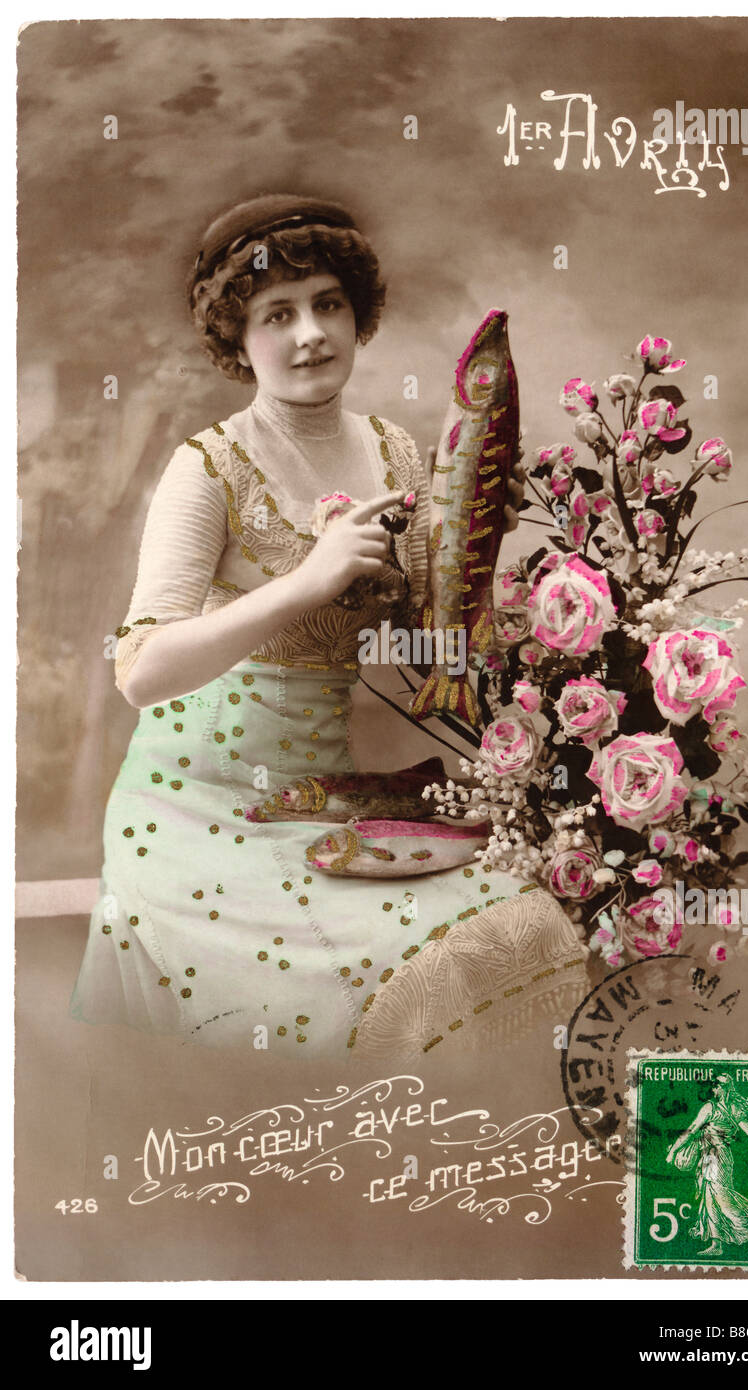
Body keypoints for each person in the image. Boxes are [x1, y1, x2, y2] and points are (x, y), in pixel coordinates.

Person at [71, 193, 587, 1059]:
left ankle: (438, 1168)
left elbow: (437, 644)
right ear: (238, 337)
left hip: (327, 807)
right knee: (390, 971)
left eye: (328, 304)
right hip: (193, 814)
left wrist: (492, 572)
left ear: (358, 313)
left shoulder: (398, 454)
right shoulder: (207, 468)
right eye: (278, 314)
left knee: (525, 926)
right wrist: (309, 579)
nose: (310, 333)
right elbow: (141, 671)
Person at [665, 1073, 748, 1257]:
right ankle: (716, 1243)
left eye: (718, 1085)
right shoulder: (715, 1107)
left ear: (724, 1087)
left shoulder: (722, 1108)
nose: (715, 1088)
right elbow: (692, 1130)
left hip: (718, 1157)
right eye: (715, 1085)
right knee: (710, 1199)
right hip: (709, 1157)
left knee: (722, 1198)